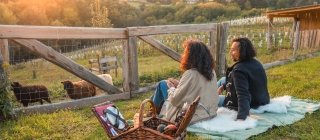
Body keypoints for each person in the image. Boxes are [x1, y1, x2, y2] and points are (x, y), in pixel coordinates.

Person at [151, 39, 219, 124]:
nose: (183, 55)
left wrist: (172, 88)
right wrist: (179, 84)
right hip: (209, 113)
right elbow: (196, 89)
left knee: (162, 84)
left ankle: (152, 114)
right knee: (163, 84)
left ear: (191, 56)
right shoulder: (212, 72)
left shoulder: (190, 74)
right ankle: (152, 112)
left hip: (192, 117)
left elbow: (175, 100)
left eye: (185, 53)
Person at [217, 37, 270, 120]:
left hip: (251, 104)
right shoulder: (256, 62)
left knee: (215, 99)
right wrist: (224, 86)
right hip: (261, 99)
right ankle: (211, 92)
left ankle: (206, 97)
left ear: (243, 51)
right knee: (222, 80)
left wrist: (241, 118)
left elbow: (243, 95)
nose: (231, 52)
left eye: (234, 50)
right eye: (231, 49)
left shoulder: (239, 70)